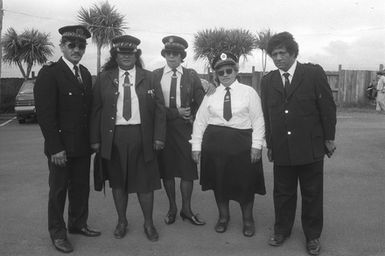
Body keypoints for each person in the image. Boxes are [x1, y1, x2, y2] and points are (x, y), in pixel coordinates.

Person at [260, 32, 337, 256]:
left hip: (310, 147)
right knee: (282, 193)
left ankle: (312, 236)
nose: (278, 58)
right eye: (274, 54)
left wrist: (329, 138)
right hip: (282, 148)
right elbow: (268, 115)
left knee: (312, 193)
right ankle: (281, 230)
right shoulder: (268, 81)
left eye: (282, 53)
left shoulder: (312, 74)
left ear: (293, 53)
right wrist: (271, 144)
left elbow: (327, 108)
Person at [89, 35, 166, 242]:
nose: (125, 56)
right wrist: (95, 139)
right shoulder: (104, 77)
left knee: (145, 184)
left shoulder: (149, 77)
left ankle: (148, 223)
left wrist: (159, 137)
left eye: (129, 53)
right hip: (114, 138)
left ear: (136, 55)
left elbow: (160, 110)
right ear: (115, 56)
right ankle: (122, 221)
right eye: (121, 53)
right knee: (118, 183)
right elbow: (96, 110)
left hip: (143, 136)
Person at [34, 25, 101, 253]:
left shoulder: (84, 73)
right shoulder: (50, 73)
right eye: (72, 45)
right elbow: (45, 115)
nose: (77, 49)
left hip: (81, 146)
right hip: (60, 147)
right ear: (62, 46)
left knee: (81, 188)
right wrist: (55, 148)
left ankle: (78, 223)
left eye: (81, 45)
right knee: (59, 191)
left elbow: (87, 111)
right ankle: (57, 233)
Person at [190, 51, 266, 237]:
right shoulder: (211, 95)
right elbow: (200, 121)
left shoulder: (249, 92)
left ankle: (248, 219)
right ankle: (223, 217)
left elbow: (258, 120)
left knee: (245, 185)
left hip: (242, 146)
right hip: (215, 147)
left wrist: (257, 145)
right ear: (216, 74)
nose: (225, 75)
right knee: (219, 184)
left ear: (236, 70)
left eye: (229, 70)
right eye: (220, 72)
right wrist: (196, 146)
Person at [153, 35, 206, 226]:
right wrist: (175, 112)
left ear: (182, 56)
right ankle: (172, 208)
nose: (171, 57)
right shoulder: (155, 75)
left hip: (185, 130)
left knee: (187, 170)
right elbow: (152, 106)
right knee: (167, 171)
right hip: (163, 129)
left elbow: (202, 102)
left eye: (176, 53)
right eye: (168, 53)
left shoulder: (191, 75)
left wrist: (195, 116)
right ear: (164, 54)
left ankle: (186, 209)